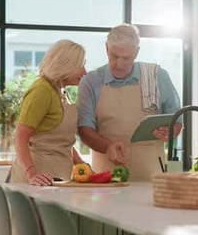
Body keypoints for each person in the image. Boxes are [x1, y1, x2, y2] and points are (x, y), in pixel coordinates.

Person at [77, 24, 182, 181]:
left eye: (126, 58)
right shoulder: (90, 82)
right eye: (114, 56)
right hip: (107, 176)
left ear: (137, 52)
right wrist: (107, 147)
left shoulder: (157, 76)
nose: (119, 64)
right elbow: (85, 130)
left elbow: (177, 120)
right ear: (106, 48)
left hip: (151, 174)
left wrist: (171, 131)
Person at [10, 39, 87, 186]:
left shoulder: (62, 92)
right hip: (38, 179)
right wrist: (31, 173)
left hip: (57, 177)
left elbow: (62, 143)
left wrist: (82, 164)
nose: (85, 72)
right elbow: (20, 137)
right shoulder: (41, 91)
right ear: (65, 65)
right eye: (80, 66)